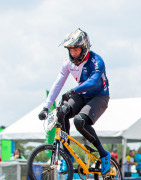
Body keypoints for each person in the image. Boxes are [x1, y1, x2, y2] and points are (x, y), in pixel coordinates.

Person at [38, 28, 111, 176]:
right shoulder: (67, 63)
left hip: (99, 96)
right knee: (62, 112)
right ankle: (67, 156)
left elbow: (93, 82)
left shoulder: (97, 61)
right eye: (70, 50)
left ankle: (103, 154)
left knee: (80, 121)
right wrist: (46, 107)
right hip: (81, 94)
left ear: (84, 48)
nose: (73, 53)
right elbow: (57, 84)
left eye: (76, 49)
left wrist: (73, 91)